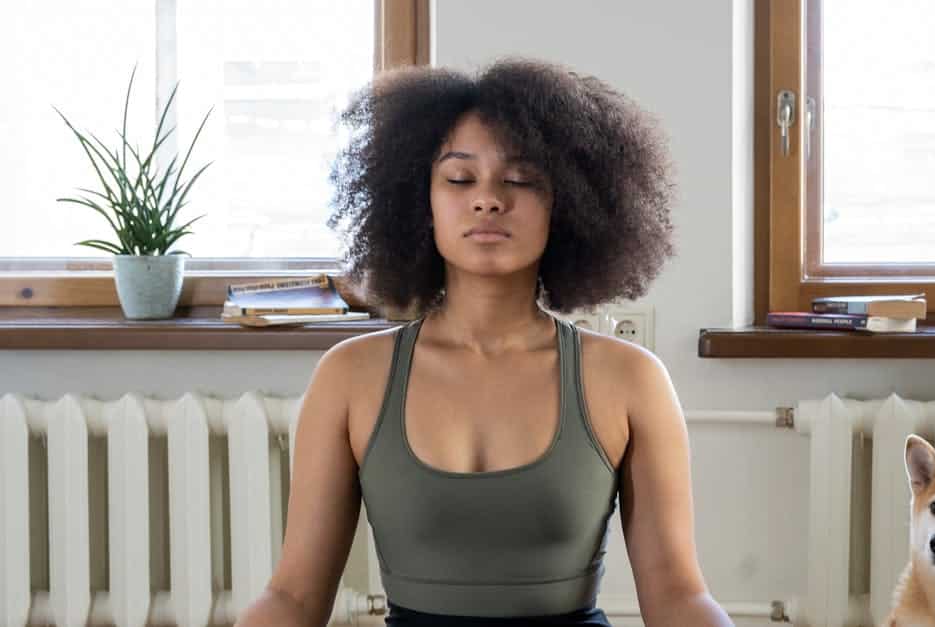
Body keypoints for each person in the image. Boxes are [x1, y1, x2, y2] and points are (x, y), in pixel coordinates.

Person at [235, 57, 734, 627]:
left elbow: (678, 596)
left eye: (520, 180)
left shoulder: (629, 379)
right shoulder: (349, 376)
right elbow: (294, 597)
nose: (489, 199)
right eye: (459, 179)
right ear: (419, 200)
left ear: (567, 203)